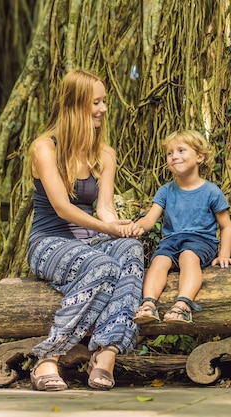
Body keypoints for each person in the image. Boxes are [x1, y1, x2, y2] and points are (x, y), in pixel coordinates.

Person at [26, 68, 144, 391]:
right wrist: (107, 227)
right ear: (75, 104)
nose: (104, 109)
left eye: (104, 101)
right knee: (104, 266)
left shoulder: (104, 154)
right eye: (97, 102)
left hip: (90, 243)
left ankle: (106, 353)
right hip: (48, 244)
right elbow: (64, 208)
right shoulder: (44, 148)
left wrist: (119, 226)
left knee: (131, 250)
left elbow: (105, 208)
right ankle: (48, 358)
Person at [133, 129, 231, 324]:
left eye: (181, 150)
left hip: (201, 242)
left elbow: (226, 227)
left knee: (188, 256)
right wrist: (135, 228)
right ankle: (148, 304)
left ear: (199, 157)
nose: (174, 157)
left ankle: (183, 305)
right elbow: (149, 220)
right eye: (170, 153)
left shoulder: (211, 192)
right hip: (171, 240)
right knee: (159, 260)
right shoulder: (165, 191)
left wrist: (224, 254)